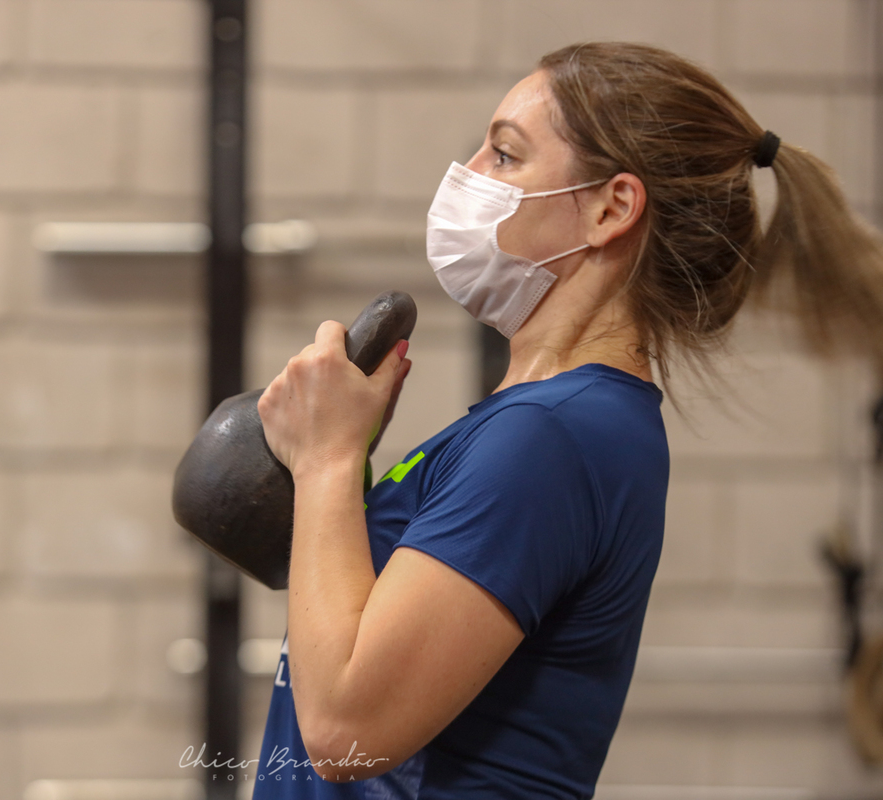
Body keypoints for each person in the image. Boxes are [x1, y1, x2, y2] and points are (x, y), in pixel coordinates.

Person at [250, 41, 883, 799]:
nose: (467, 175)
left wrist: (325, 459)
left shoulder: (550, 438)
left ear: (612, 208)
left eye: (505, 155)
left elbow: (347, 730)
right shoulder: (544, 423)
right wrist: (333, 471)